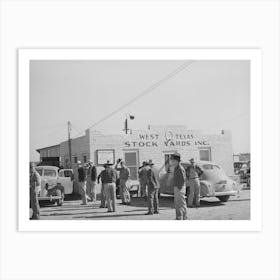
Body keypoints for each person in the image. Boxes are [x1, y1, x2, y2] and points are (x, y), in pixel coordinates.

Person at [170, 153, 187, 220]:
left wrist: (179, 188)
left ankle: (184, 216)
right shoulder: (176, 168)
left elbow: (183, 179)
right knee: (177, 203)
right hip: (177, 187)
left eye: (173, 161)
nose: (172, 162)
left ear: (177, 161)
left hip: (180, 187)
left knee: (181, 203)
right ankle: (178, 216)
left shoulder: (180, 168)